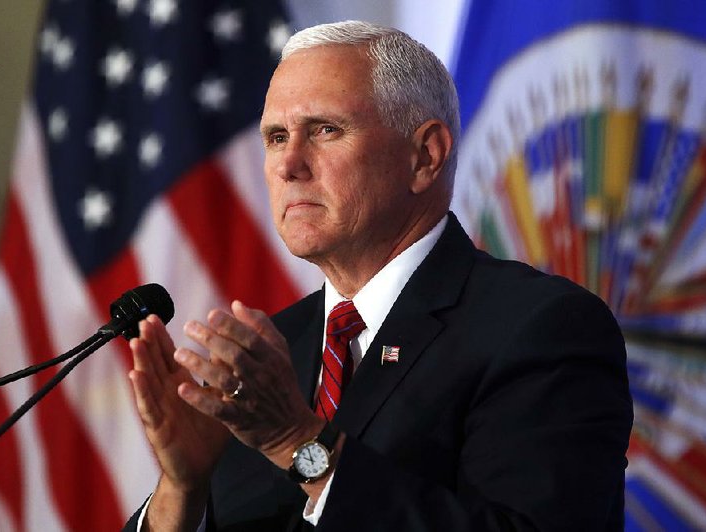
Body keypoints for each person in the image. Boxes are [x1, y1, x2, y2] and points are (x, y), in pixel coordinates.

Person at [124, 20, 633, 531]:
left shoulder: (541, 328)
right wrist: (181, 490)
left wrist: (297, 443)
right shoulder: (269, 355)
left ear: (425, 156)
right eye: (276, 137)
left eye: (325, 130)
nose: (289, 164)